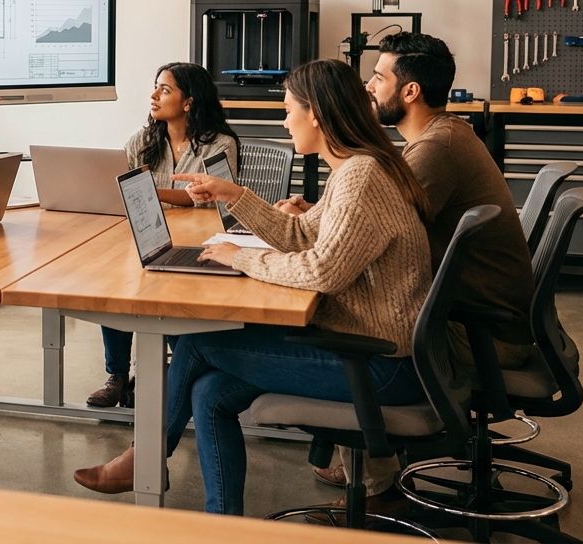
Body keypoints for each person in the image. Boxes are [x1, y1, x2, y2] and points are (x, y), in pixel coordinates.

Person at [73, 58, 432, 517]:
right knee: (209, 394)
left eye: (288, 110)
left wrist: (239, 257)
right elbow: (301, 236)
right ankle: (222, 520)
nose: (284, 120)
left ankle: (144, 456)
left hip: (380, 362)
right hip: (373, 348)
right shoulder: (356, 168)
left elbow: (322, 272)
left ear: (316, 115)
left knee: (197, 345)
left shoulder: (360, 176)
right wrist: (235, 196)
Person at [284, 32, 535, 502]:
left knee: (349, 314)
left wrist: (311, 221)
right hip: (481, 314)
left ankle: (374, 482)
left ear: (410, 91)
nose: (368, 88)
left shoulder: (433, 151)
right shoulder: (444, 133)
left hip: (480, 331)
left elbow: (368, 235)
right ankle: (366, 465)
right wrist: (321, 211)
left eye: (378, 78)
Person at [87, 63, 239, 409]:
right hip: (148, 234)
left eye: (165, 90)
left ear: (189, 102)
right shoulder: (142, 140)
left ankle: (165, 371)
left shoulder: (219, 143)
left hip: (200, 241)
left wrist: (146, 190)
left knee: (171, 295)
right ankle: (118, 375)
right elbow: (118, 185)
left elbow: (204, 195)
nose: (154, 96)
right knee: (116, 285)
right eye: (155, 88)